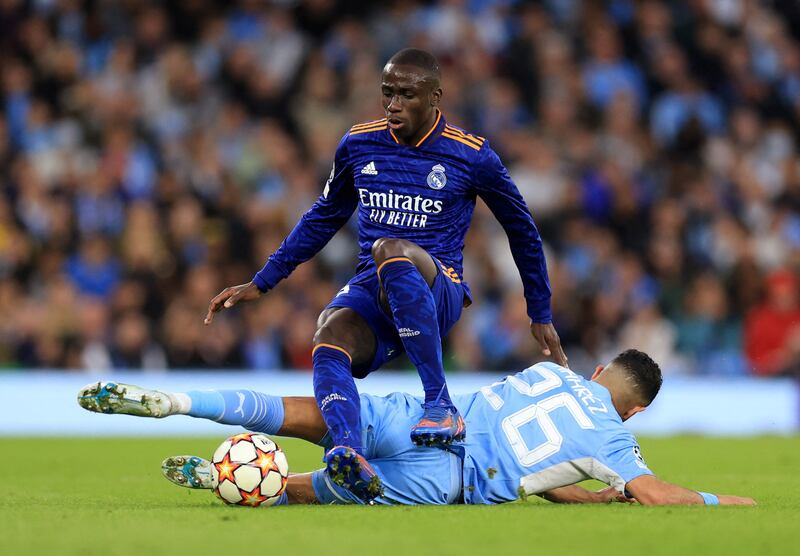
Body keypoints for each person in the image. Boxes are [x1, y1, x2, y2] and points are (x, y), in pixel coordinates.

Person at [201, 48, 565, 500]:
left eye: (406, 95)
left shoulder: (472, 155)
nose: (393, 104)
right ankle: (349, 454)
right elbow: (324, 215)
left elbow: (522, 231)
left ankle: (439, 404)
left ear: (435, 97)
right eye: (387, 93)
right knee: (328, 336)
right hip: (376, 290)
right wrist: (263, 280)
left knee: (390, 249)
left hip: (439, 289)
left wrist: (540, 310)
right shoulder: (358, 143)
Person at [76, 349, 754, 506]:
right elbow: (652, 492)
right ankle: (257, 485)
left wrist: (589, 493)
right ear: (636, 409)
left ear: (601, 368)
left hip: (434, 416)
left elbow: (552, 478)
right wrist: (724, 500)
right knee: (331, 490)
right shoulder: (613, 442)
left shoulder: (552, 372)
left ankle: (178, 399)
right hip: (455, 477)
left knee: (307, 414)